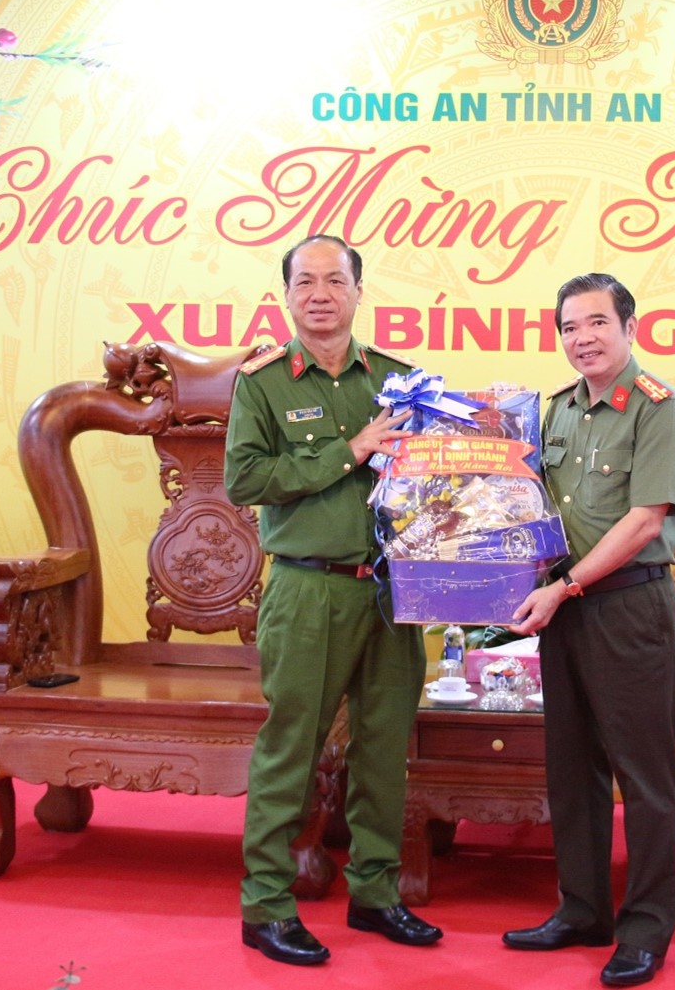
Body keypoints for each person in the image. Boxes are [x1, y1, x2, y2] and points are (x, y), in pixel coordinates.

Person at [225, 234, 443, 966]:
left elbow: (432, 482)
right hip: (308, 588)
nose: (320, 294)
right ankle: (266, 904)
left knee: (384, 749)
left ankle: (376, 893)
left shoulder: (399, 381)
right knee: (292, 747)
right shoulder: (263, 383)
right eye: (306, 282)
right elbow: (246, 480)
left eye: (335, 280)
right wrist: (348, 452)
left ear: (358, 291)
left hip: (389, 589)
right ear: (286, 295)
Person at [504, 273, 675, 987]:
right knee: (572, 770)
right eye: (569, 327)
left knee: (645, 779)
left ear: (629, 328)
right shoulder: (556, 410)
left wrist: (564, 587)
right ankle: (582, 910)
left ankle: (645, 929)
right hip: (565, 609)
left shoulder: (659, 408)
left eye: (596, 323)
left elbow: (645, 520)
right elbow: (528, 502)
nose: (582, 338)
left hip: (628, 608)